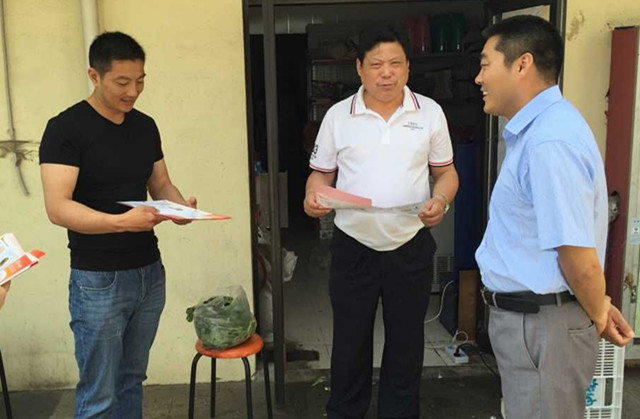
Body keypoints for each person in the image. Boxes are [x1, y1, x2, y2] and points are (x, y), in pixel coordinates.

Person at [474, 15, 634, 419]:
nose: (479, 78)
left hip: (543, 326)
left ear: (522, 64)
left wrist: (597, 312)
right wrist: (597, 305)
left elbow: (576, 255)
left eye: (485, 65)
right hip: (539, 321)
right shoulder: (540, 131)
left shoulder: (548, 141)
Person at [304, 25, 459, 419]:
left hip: (410, 245)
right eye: (376, 64)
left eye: (395, 64)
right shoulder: (339, 116)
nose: (386, 73)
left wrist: (441, 199)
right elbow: (321, 175)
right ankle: (345, 412)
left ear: (407, 68)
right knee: (350, 341)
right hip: (353, 245)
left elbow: (446, 173)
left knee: (406, 343)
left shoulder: (429, 113)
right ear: (359, 68)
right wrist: (313, 196)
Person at [39, 31, 195, 418]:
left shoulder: (145, 126)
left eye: (140, 81)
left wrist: (180, 208)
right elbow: (58, 208)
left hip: (148, 273)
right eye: (122, 82)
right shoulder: (65, 129)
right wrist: (120, 223)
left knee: (131, 380)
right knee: (99, 393)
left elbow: (161, 183)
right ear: (94, 76)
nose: (133, 92)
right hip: (98, 279)